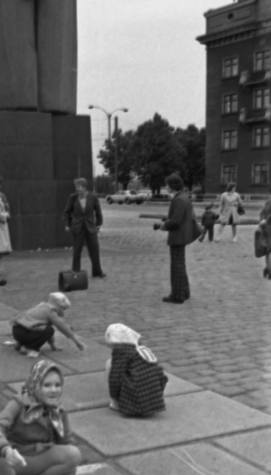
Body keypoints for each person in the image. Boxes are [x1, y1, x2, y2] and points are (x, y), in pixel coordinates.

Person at [0, 360, 81, 475]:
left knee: (74, 455)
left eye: (57, 385)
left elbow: (65, 443)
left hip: (41, 458)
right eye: (47, 385)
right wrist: (7, 451)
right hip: (17, 459)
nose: (54, 390)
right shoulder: (19, 404)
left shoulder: (59, 411)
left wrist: (69, 466)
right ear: (35, 385)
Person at [105, 323, 168, 417]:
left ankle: (116, 404)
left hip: (136, 399)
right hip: (155, 400)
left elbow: (115, 377)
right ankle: (149, 402)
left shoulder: (121, 351)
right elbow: (162, 376)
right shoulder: (141, 348)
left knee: (110, 364)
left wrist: (115, 396)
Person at [6, 292, 85, 358]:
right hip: (24, 333)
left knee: (45, 329)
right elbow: (63, 327)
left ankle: (19, 344)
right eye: (64, 309)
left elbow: (43, 328)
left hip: (16, 330)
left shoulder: (43, 307)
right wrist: (77, 343)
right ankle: (29, 348)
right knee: (49, 330)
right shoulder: (51, 311)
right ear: (60, 306)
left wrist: (53, 347)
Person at [159, 174, 195, 304]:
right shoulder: (184, 197)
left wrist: (164, 225)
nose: (166, 187)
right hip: (182, 235)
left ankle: (177, 295)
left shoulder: (179, 199)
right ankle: (184, 292)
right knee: (180, 265)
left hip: (178, 236)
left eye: (167, 185)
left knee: (177, 267)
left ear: (172, 186)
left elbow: (176, 221)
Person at [63, 177, 105, 278]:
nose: (77, 189)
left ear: (84, 187)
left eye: (78, 187)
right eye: (76, 187)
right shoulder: (73, 197)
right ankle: (75, 270)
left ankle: (97, 272)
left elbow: (98, 211)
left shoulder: (93, 197)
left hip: (90, 227)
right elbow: (66, 212)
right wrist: (66, 225)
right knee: (77, 250)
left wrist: (98, 224)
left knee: (94, 249)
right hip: (77, 227)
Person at [259, 187, 271, 279]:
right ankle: (269, 270)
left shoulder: (267, 202)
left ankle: (268, 268)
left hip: (267, 228)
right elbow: (262, 214)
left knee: (268, 250)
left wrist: (263, 220)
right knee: (269, 250)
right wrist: (264, 220)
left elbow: (262, 214)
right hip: (268, 228)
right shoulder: (268, 202)